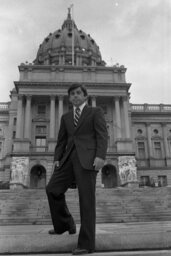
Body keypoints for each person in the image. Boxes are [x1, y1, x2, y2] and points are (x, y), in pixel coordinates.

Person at [46, 84, 108, 255]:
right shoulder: (66, 117)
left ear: (85, 96)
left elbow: (102, 135)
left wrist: (101, 156)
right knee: (52, 189)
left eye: (78, 93)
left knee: (86, 200)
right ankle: (65, 224)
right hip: (67, 160)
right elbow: (61, 140)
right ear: (69, 97)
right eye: (72, 94)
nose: (74, 96)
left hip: (87, 160)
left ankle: (87, 244)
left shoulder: (95, 112)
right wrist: (57, 159)